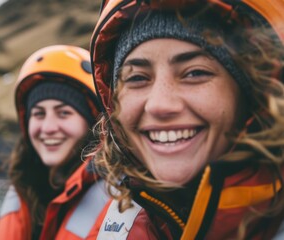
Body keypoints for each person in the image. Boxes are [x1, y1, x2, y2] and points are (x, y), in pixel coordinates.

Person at [88, 0, 284, 239]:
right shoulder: (119, 222)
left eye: (195, 73)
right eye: (137, 78)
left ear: (255, 93)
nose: (159, 105)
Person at [0, 45, 110, 240]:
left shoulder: (118, 198)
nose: (48, 128)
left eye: (63, 113)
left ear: (92, 122)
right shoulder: (25, 187)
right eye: (39, 114)